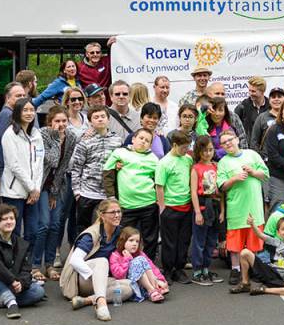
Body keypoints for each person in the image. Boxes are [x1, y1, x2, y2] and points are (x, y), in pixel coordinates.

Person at [60, 198, 133, 321]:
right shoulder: (91, 234)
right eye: (113, 212)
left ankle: (87, 300)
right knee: (102, 261)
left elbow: (136, 251)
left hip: (100, 279)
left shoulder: (119, 231)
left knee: (129, 287)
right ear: (102, 215)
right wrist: (94, 275)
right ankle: (101, 304)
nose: (117, 215)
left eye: (119, 212)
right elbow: (75, 260)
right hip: (80, 280)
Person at [0, 97, 47, 283]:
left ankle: (30, 267)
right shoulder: (10, 135)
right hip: (14, 192)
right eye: (25, 110)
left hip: (32, 191)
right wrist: (30, 187)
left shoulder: (36, 134)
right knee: (14, 232)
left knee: (33, 231)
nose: (29, 113)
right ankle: (14, 269)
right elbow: (14, 165)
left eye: (31, 110)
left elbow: (39, 162)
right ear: (17, 113)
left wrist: (36, 188)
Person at [0, 204, 45, 319]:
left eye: (11, 218)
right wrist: (11, 280)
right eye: (4, 219)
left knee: (38, 292)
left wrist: (21, 283)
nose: (9, 222)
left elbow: (26, 269)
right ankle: (11, 303)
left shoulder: (21, 243)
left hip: (11, 284)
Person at [217, 130, 270, 286]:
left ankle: (253, 267)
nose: (228, 143)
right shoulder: (223, 162)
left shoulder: (252, 154)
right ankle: (235, 269)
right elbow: (222, 186)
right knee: (235, 242)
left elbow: (265, 174)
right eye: (224, 142)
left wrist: (253, 172)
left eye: (230, 140)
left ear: (237, 139)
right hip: (236, 207)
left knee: (254, 239)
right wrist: (234, 179)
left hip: (254, 206)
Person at [103, 129, 160, 259]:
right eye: (141, 138)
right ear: (133, 139)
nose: (143, 142)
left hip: (149, 204)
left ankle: (148, 265)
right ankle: (124, 266)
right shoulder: (119, 153)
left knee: (149, 239)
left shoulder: (153, 159)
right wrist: (111, 197)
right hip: (126, 206)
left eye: (147, 141)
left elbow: (158, 181)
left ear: (150, 145)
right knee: (125, 238)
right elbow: (107, 173)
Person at [70, 105, 124, 236]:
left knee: (107, 229)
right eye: (96, 117)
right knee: (84, 229)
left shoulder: (117, 140)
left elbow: (122, 162)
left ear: (108, 119)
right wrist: (77, 192)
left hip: (108, 194)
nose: (100, 119)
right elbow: (76, 168)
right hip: (87, 193)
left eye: (103, 117)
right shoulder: (85, 142)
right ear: (90, 121)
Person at [41, 106, 76, 281]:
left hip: (56, 185)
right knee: (43, 225)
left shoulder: (71, 137)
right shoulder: (43, 135)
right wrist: (56, 139)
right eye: (57, 121)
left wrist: (55, 192)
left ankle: (49, 264)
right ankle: (34, 265)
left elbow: (62, 167)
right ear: (50, 123)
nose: (61, 124)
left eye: (64, 121)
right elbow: (52, 161)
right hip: (40, 185)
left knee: (56, 224)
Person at [155, 131, 194, 284]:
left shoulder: (187, 159)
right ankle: (168, 269)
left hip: (186, 205)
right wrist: (162, 207)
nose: (186, 150)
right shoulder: (164, 163)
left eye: (188, 147)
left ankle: (179, 268)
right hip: (170, 207)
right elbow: (159, 186)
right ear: (174, 145)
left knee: (184, 240)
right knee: (169, 241)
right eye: (183, 147)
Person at [230, 216, 284, 296]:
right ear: (278, 233)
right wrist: (252, 224)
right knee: (245, 252)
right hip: (269, 271)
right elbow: (260, 235)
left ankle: (264, 290)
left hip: (281, 279)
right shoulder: (276, 242)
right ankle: (245, 284)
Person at [189, 136, 223, 285]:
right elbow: (194, 192)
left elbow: (221, 192)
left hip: (215, 206)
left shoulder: (216, 166)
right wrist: (197, 212)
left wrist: (222, 211)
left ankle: (206, 269)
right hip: (203, 206)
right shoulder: (196, 168)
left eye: (210, 150)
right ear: (199, 151)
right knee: (199, 240)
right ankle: (197, 270)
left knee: (211, 240)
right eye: (204, 151)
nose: (208, 153)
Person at [107, 227, 169, 303]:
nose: (134, 244)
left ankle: (156, 287)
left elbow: (152, 267)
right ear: (123, 241)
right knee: (138, 260)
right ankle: (152, 290)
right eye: (131, 240)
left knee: (141, 258)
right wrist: (127, 259)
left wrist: (161, 280)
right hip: (129, 286)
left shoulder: (140, 253)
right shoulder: (115, 256)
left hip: (144, 284)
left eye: (137, 241)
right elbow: (119, 275)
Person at [0, 81, 26, 167]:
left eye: (23, 95)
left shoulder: (13, 114)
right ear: (7, 98)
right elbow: (9, 147)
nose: (22, 98)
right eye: (18, 96)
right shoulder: (7, 115)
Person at [249, 87, 284, 156]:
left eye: (279, 97)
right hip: (267, 160)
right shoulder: (262, 117)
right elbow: (254, 142)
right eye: (273, 97)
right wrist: (261, 158)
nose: (276, 99)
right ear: (269, 100)